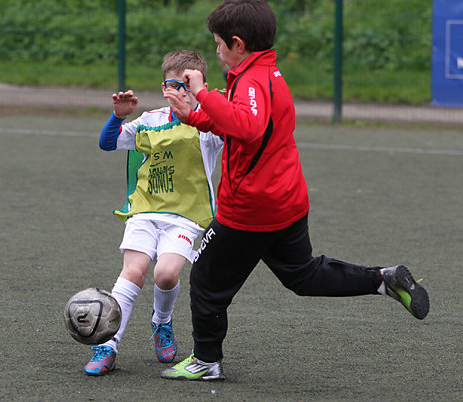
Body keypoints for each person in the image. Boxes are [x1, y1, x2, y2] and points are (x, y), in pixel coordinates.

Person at [160, 0, 430, 382]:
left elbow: (248, 127)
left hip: (252, 208)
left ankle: (206, 360)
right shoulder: (265, 72)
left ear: (238, 44)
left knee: (205, 280)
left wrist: (203, 94)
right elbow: (250, 130)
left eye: (219, 44)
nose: (216, 51)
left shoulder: (250, 81)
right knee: (302, 276)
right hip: (285, 199)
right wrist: (199, 117)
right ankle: (382, 280)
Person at [83, 50, 223, 376]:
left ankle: (161, 322)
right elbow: (108, 143)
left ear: (199, 86)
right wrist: (117, 116)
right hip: (144, 211)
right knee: (133, 272)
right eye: (173, 84)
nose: (179, 91)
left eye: (187, 84)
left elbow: (236, 134)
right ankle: (107, 344)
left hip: (187, 216)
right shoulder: (150, 119)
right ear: (164, 87)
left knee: (166, 274)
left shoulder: (209, 123)